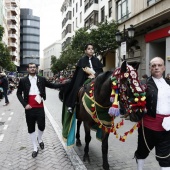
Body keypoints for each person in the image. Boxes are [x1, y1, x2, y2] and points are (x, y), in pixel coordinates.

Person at [17, 63, 65, 158]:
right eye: (30, 67)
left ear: (36, 69)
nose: (32, 69)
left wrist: (64, 84)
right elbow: (18, 94)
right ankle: (35, 147)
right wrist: (25, 104)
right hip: (29, 107)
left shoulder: (42, 79)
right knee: (31, 128)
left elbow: (52, 85)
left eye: (34, 67)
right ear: (27, 69)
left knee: (42, 126)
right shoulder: (23, 80)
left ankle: (40, 138)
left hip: (39, 107)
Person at [134, 57, 170, 170]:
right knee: (142, 151)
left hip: (166, 128)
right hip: (148, 127)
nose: (156, 67)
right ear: (150, 68)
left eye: (159, 65)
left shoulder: (169, 84)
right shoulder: (143, 84)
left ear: (164, 68)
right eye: (154, 66)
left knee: (165, 157)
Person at [64, 43, 103, 113]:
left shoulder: (96, 60)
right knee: (76, 87)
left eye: (92, 49)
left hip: (96, 78)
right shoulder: (82, 60)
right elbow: (79, 73)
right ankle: (72, 105)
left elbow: (100, 71)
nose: (91, 50)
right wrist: (87, 76)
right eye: (89, 49)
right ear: (85, 51)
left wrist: (95, 75)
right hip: (84, 78)